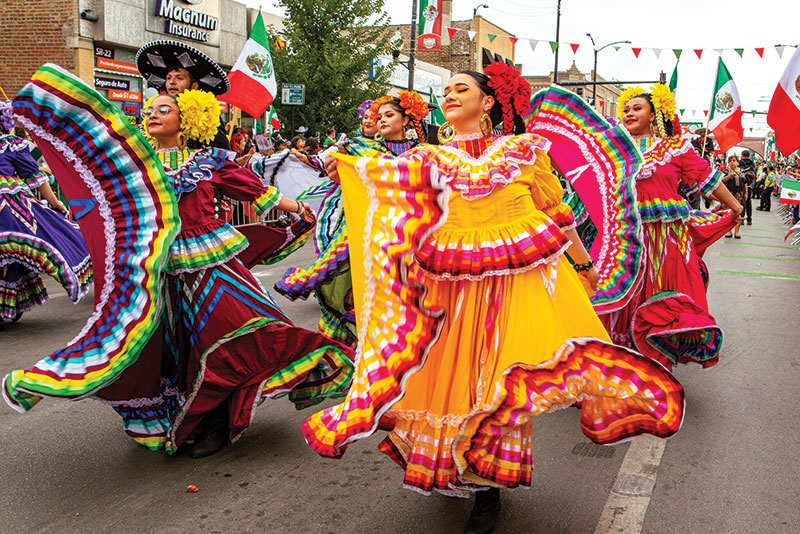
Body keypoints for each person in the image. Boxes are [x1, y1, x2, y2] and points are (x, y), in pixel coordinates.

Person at [304, 65, 685, 534]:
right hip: (453, 291)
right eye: (445, 91)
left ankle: (489, 492)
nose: (449, 96)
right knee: (453, 384)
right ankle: (458, 471)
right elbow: (385, 192)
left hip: (513, 289)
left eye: (460, 89)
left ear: (487, 104)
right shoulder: (428, 158)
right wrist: (342, 165)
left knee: (499, 385)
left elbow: (556, 214)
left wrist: (584, 268)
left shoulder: (522, 152)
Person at [4, 68, 354, 459]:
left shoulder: (209, 160)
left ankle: (217, 419)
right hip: (157, 264)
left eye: (163, 109)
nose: (152, 114)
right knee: (170, 347)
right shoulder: (137, 165)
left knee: (224, 333)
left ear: (187, 119)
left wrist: (301, 210)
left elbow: (258, 192)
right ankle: (184, 415)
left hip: (210, 263)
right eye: (149, 109)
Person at [603, 85, 743, 370]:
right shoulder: (612, 148)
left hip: (665, 240)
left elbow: (707, 180)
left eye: (637, 108)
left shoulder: (675, 148)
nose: (629, 113)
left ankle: (655, 360)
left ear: (654, 115)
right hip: (624, 236)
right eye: (626, 110)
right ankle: (621, 361)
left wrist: (735, 206)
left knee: (661, 294)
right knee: (619, 294)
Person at [276, 92, 430, 345]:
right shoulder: (360, 148)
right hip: (368, 228)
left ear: (406, 120)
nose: (381, 120)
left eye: (389, 115)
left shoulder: (425, 153)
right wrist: (336, 167)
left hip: (410, 232)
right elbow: (336, 171)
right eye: (378, 116)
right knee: (359, 284)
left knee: (404, 291)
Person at [0, 100, 91, 327]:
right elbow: (35, 177)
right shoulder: (11, 145)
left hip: (9, 209)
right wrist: (55, 203)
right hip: (9, 209)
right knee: (53, 235)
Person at [135, 40, 231, 150]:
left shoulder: (205, 113)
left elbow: (222, 152)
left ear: (194, 86)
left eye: (179, 78)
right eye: (168, 78)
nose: (172, 82)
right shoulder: (155, 109)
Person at [723, 155, 747, 239]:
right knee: (729, 212)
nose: (732, 163)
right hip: (729, 194)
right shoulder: (727, 171)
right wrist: (730, 176)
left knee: (739, 212)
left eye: (733, 160)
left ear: (737, 162)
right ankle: (729, 231)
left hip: (740, 194)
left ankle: (737, 232)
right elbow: (723, 180)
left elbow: (745, 183)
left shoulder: (742, 171)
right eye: (730, 161)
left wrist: (746, 193)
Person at [739, 150, 756, 225]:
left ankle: (741, 218)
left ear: (742, 155)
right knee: (748, 202)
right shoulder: (752, 163)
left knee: (742, 202)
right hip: (749, 184)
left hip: (741, 184)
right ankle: (749, 219)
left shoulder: (740, 162)